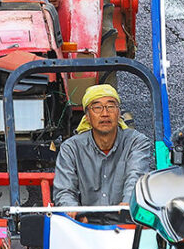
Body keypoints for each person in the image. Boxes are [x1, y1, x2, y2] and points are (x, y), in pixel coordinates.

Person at [53, 84, 155, 216]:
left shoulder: (137, 142)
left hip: (125, 221)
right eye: (97, 108)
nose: (105, 114)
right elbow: (64, 190)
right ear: (87, 117)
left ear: (118, 113)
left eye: (111, 106)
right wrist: (72, 210)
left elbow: (135, 176)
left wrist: (127, 204)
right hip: (84, 225)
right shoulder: (71, 148)